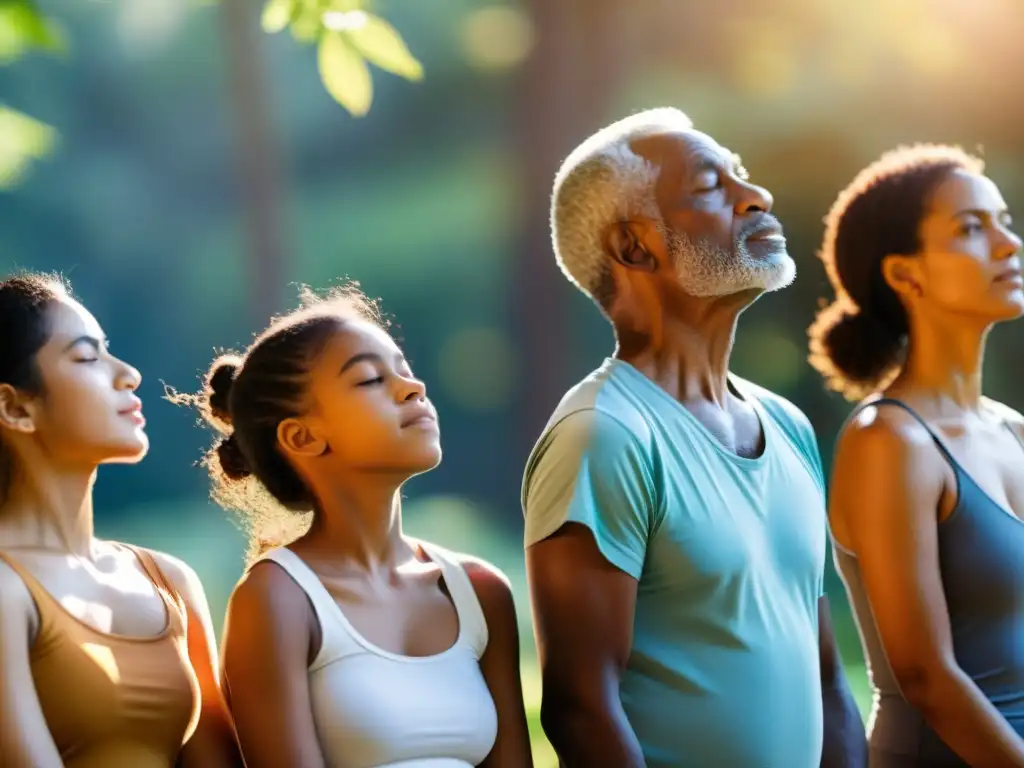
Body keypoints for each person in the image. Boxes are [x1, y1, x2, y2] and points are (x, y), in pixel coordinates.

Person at [522, 107, 866, 768]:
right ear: (634, 247)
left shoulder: (788, 426)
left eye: (742, 176)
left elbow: (826, 677)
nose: (755, 196)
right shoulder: (604, 436)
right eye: (712, 185)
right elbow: (579, 707)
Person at [176, 284, 532, 768]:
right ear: (302, 437)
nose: (413, 388)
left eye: (404, 371)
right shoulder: (277, 598)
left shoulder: (480, 591)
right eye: (370, 380)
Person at [809, 144, 1024, 767]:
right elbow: (926, 677)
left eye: (1004, 221)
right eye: (971, 229)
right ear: (906, 275)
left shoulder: (1012, 431)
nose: (1009, 245)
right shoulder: (891, 441)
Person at [0, 272, 240, 768]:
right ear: (14, 406)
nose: (128, 373)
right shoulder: (7, 590)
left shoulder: (168, 581)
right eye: (87, 357)